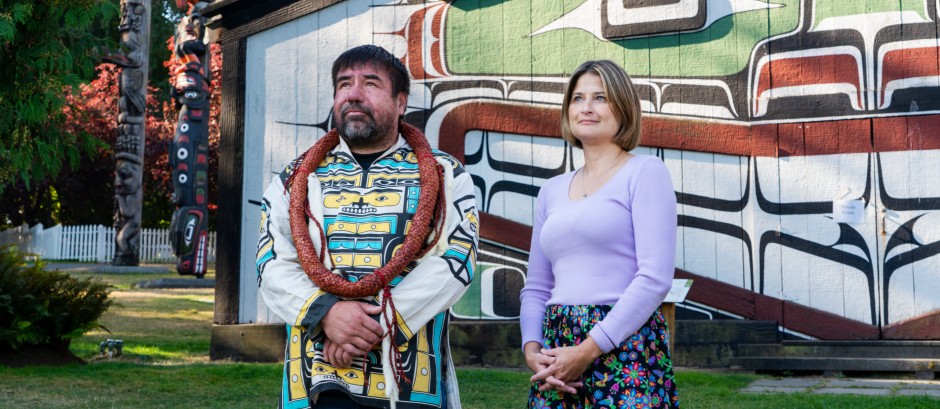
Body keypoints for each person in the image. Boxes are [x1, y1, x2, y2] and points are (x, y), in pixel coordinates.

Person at [256, 44, 479, 409]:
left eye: (371, 84)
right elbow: (271, 263)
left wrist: (368, 326)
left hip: (406, 380)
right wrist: (327, 314)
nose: (354, 94)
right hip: (318, 373)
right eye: (344, 84)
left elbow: (456, 260)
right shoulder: (293, 178)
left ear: (401, 102)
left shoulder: (445, 175)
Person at [519, 60, 680, 408]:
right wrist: (533, 350)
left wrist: (588, 349)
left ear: (623, 107)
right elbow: (536, 285)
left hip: (625, 344)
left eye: (600, 97)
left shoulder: (646, 172)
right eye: (577, 98)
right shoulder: (551, 190)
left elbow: (654, 278)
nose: (586, 107)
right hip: (556, 349)